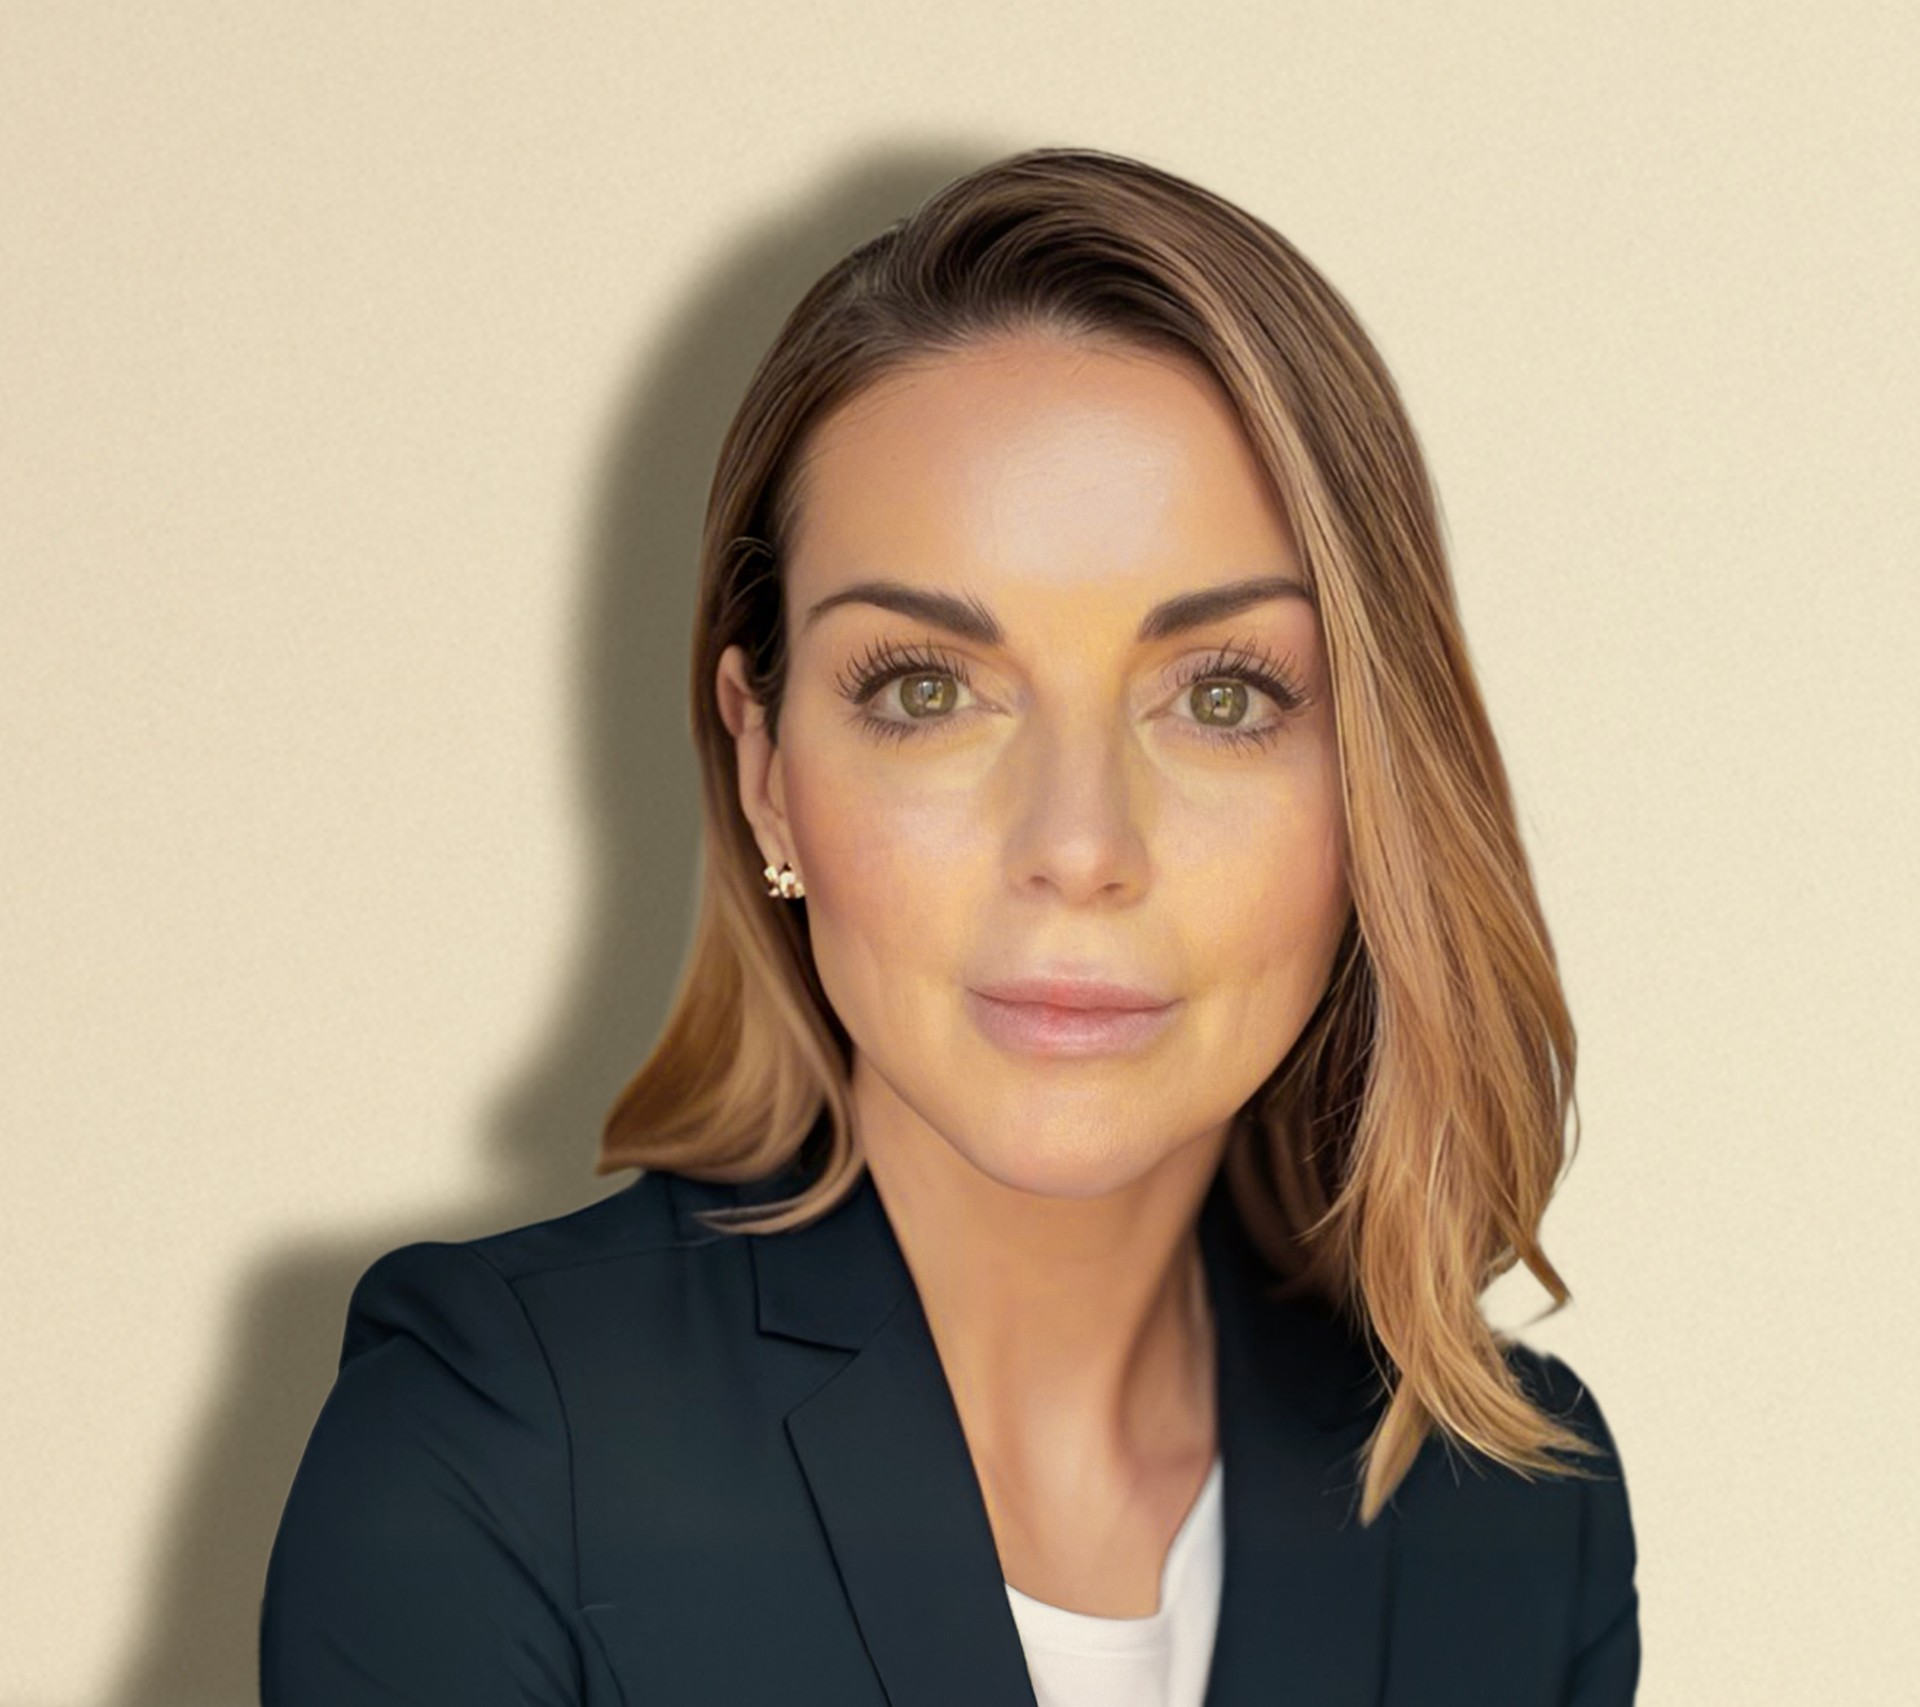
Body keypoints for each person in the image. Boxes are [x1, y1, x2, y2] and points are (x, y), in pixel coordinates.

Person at [259, 146, 1640, 1706]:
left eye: (1223, 696)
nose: (1079, 847)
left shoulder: (1520, 1523)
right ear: (766, 772)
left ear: (1380, 782)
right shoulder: (496, 1452)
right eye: (927, 690)